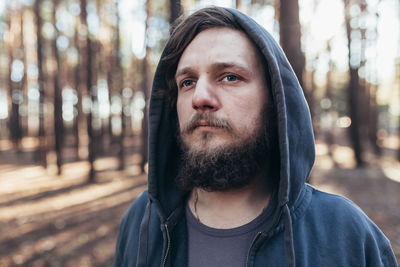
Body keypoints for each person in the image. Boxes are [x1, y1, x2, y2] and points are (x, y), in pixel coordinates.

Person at [114, 6, 398, 267]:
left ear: (274, 101)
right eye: (187, 82)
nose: (199, 97)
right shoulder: (143, 221)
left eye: (229, 77)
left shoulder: (346, 234)